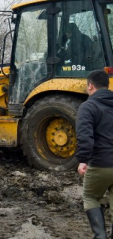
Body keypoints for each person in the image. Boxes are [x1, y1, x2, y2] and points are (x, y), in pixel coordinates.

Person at [76, 70, 113, 239]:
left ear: (90, 86)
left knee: (90, 196)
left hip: (101, 163)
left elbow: (85, 137)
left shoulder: (88, 106)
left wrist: (83, 160)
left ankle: (100, 236)